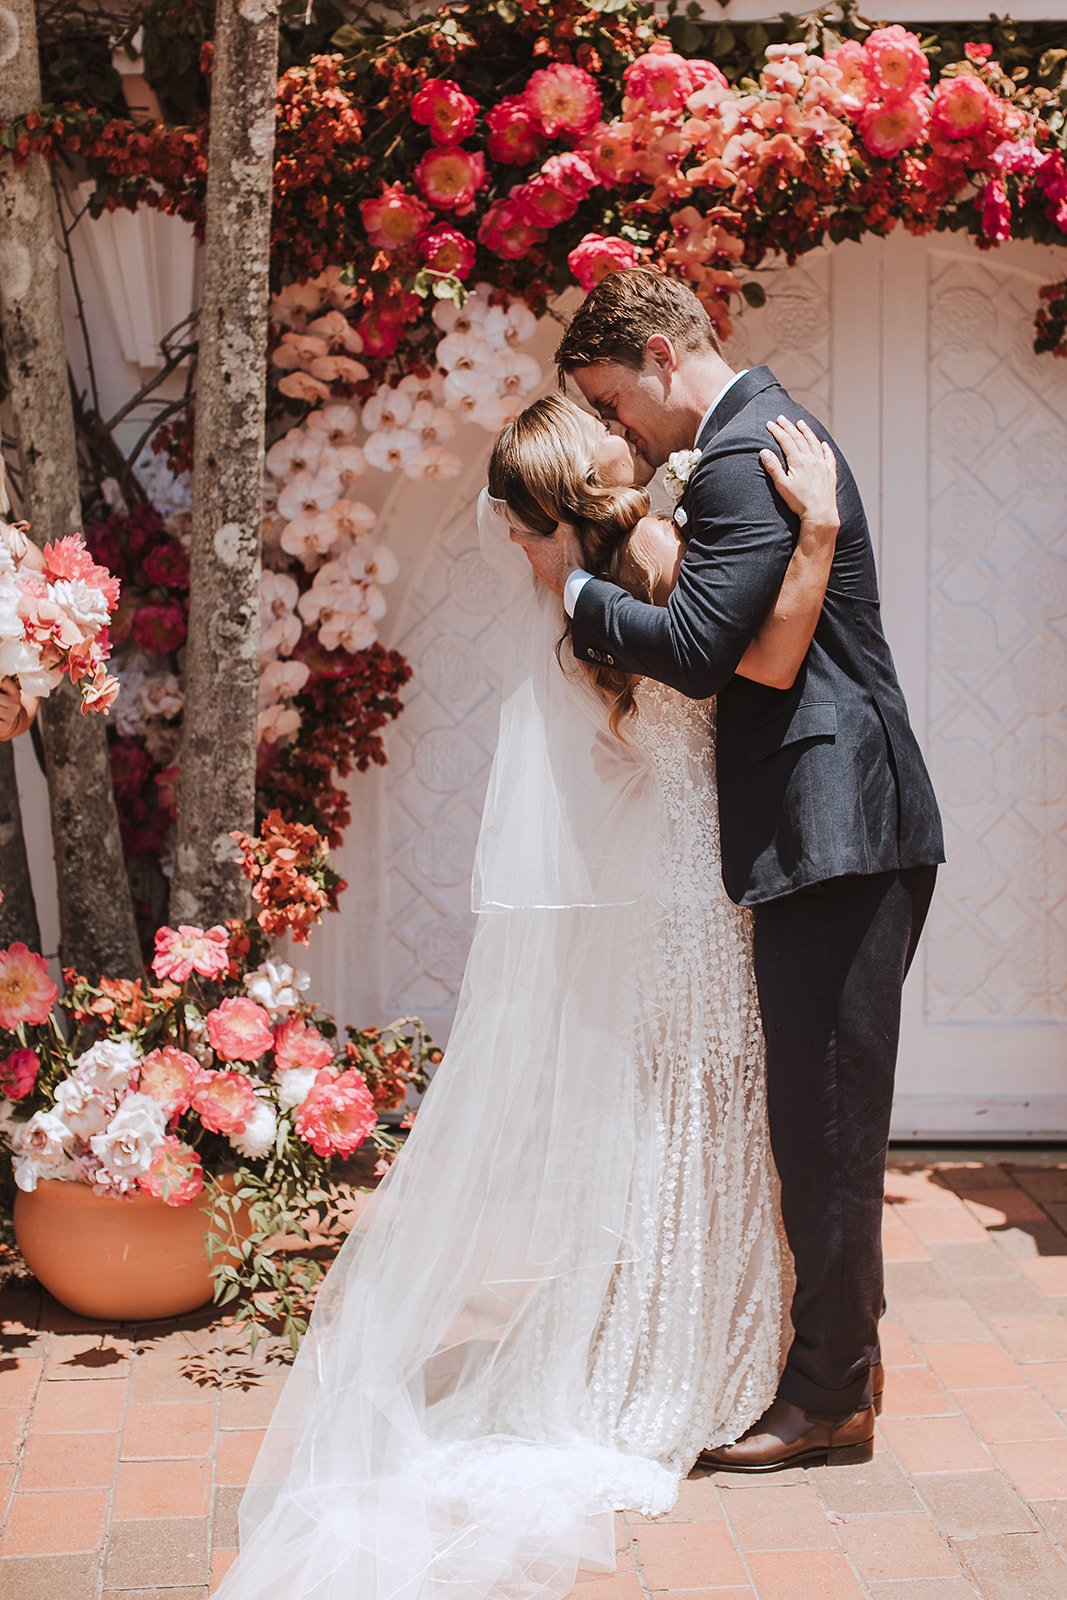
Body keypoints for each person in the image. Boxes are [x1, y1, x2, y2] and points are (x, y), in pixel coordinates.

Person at [214, 395, 840, 1600]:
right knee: (705, 1107)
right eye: (604, 425)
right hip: (702, 871)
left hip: (657, 862)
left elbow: (610, 739)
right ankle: (698, 1345)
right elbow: (762, 665)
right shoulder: (656, 552)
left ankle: (659, 1336)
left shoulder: (578, 589)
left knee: (669, 1105)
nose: (623, 431)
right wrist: (809, 533)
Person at [514, 268, 945, 1474]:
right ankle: (831, 1365)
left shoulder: (737, 453)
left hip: (838, 829)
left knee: (825, 1130)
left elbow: (703, 652)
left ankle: (829, 1399)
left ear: (658, 355)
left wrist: (574, 589)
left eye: (611, 399)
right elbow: (758, 660)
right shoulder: (752, 447)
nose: (614, 430)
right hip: (825, 832)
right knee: (811, 1124)